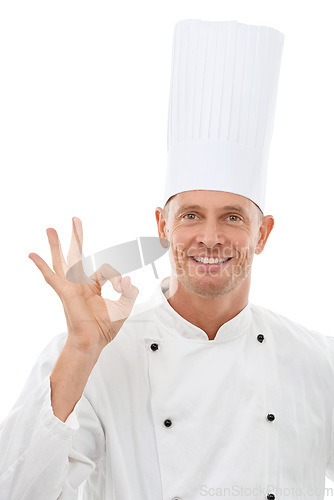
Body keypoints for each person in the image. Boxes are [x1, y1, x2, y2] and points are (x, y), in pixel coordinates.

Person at [1, 19, 334, 500]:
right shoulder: (97, 356)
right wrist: (77, 350)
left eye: (234, 218)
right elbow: (16, 491)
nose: (211, 237)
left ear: (263, 233)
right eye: (192, 215)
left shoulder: (318, 362)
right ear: (162, 226)